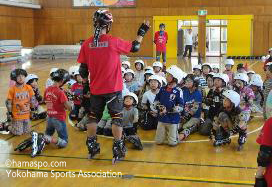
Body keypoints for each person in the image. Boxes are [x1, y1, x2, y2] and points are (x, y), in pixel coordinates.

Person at [77, 9, 150, 163]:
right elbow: (135, 47)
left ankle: (92, 147)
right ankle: (117, 149)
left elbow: (83, 69)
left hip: (96, 88)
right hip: (113, 88)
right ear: (108, 25)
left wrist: (85, 85)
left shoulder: (87, 43)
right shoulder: (113, 41)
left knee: (93, 117)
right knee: (116, 118)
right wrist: (142, 32)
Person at [15, 69, 72, 157]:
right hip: (59, 119)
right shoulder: (60, 92)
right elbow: (68, 107)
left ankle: (40, 138)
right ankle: (43, 137)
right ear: (62, 81)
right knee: (64, 142)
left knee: (48, 133)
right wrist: (71, 104)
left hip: (49, 118)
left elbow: (46, 101)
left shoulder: (47, 90)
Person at [154, 65, 184, 146]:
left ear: (175, 78)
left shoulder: (178, 91)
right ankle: (168, 134)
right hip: (162, 118)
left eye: (169, 75)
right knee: (158, 142)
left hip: (173, 120)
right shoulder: (162, 89)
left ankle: (179, 135)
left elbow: (181, 107)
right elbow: (156, 101)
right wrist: (159, 108)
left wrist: (168, 110)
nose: (166, 76)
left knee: (172, 143)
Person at [1, 69, 36, 135]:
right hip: (17, 115)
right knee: (18, 132)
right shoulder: (12, 89)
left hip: (26, 114)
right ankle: (5, 126)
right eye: (18, 76)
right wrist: (10, 113)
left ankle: (14, 125)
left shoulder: (28, 87)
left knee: (27, 132)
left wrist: (33, 110)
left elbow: (32, 99)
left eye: (22, 76)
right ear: (14, 78)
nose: (21, 78)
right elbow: (8, 103)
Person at [179, 74, 202, 141]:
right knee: (177, 126)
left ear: (195, 83)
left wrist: (186, 117)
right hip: (185, 115)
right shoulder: (184, 91)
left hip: (194, 116)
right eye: (186, 81)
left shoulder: (198, 93)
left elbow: (194, 109)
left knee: (185, 126)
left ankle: (185, 133)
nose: (186, 82)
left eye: (189, 81)